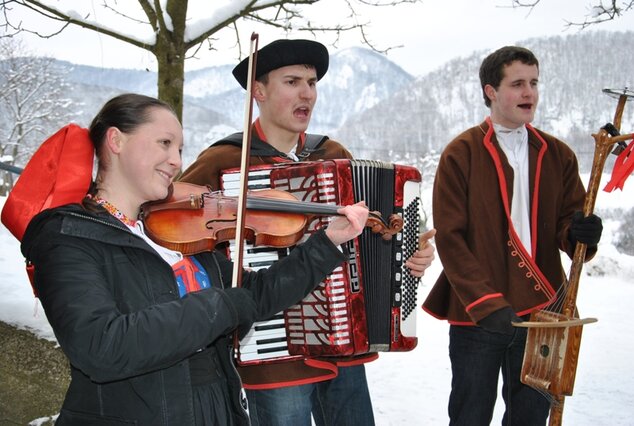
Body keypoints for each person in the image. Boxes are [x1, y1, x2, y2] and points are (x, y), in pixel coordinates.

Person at [19, 93, 371, 426]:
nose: (177, 161)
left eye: (180, 148)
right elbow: (101, 346)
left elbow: (257, 294)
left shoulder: (176, 234)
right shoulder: (68, 237)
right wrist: (219, 306)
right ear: (116, 141)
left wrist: (327, 242)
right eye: (164, 143)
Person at [179, 39, 436, 426]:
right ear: (259, 92)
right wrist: (228, 273)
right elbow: (176, 231)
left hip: (344, 338)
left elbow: (371, 240)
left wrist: (409, 255)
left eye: (312, 82)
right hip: (272, 342)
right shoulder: (226, 161)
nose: (307, 93)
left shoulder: (333, 155)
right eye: (292, 81)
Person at [423, 46, 604, 426]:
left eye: (534, 83)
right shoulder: (462, 153)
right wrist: (486, 304)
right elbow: (451, 239)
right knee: (470, 415)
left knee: (530, 417)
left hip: (542, 313)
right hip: (478, 314)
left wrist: (581, 233)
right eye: (518, 84)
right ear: (491, 91)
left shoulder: (558, 154)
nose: (529, 93)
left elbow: (567, 228)